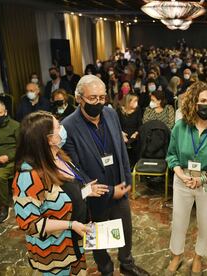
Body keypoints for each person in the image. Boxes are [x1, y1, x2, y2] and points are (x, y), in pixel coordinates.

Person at [62, 75, 149, 276]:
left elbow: (120, 150)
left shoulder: (110, 113)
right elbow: (74, 169)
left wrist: (126, 180)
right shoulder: (68, 126)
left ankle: (127, 264)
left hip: (120, 186)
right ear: (78, 98)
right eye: (93, 98)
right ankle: (106, 269)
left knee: (125, 230)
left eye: (102, 98)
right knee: (97, 238)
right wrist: (110, 192)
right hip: (95, 195)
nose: (98, 103)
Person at [12, 111, 107, 275]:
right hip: (55, 251)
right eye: (59, 127)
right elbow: (30, 224)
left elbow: (60, 194)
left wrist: (84, 192)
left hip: (74, 241)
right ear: (48, 139)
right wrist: (71, 225)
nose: (63, 129)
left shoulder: (58, 156)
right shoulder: (28, 176)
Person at [166, 81, 207, 275]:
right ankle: (177, 256)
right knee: (179, 222)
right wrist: (181, 174)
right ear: (194, 103)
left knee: (205, 223)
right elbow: (171, 155)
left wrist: (202, 179)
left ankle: (198, 257)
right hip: (183, 180)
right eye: (203, 100)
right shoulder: (180, 127)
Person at [117, 93, 142, 168]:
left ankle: (134, 166)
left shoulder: (138, 110)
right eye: (135, 101)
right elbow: (117, 124)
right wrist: (122, 134)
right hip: (122, 135)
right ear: (129, 101)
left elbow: (140, 124)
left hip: (134, 135)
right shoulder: (119, 110)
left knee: (135, 145)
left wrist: (136, 133)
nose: (136, 103)